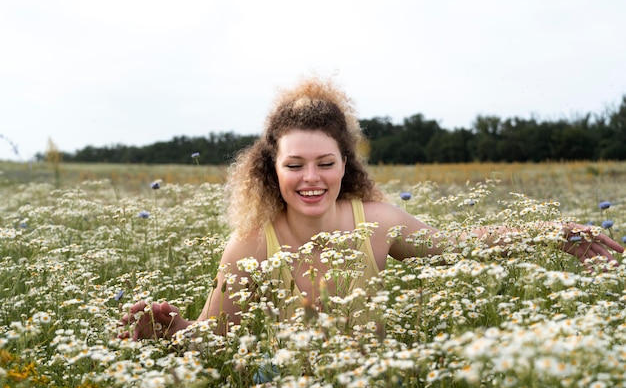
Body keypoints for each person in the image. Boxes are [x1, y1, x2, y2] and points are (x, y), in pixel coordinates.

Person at [119, 76, 624, 341]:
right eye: (295, 164)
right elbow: (214, 337)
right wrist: (165, 329)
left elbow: (459, 246)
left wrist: (556, 232)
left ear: (346, 165)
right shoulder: (250, 244)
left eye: (325, 163)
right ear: (271, 168)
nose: (311, 178)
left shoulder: (377, 223)